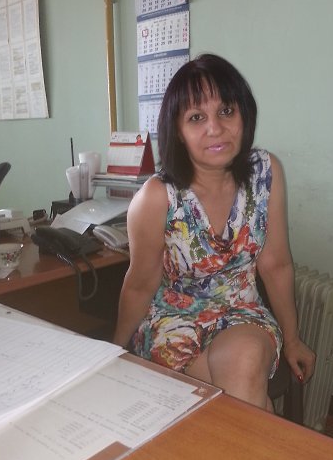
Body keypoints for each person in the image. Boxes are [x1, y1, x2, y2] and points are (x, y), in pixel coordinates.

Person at [113, 53, 315, 411]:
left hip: (243, 313)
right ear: (178, 130)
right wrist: (113, 350)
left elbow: (276, 264)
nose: (215, 128)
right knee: (243, 398)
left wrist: (294, 339)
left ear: (243, 115)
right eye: (196, 117)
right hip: (172, 322)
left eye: (226, 111)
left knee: (245, 360)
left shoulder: (265, 173)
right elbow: (140, 284)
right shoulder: (157, 197)